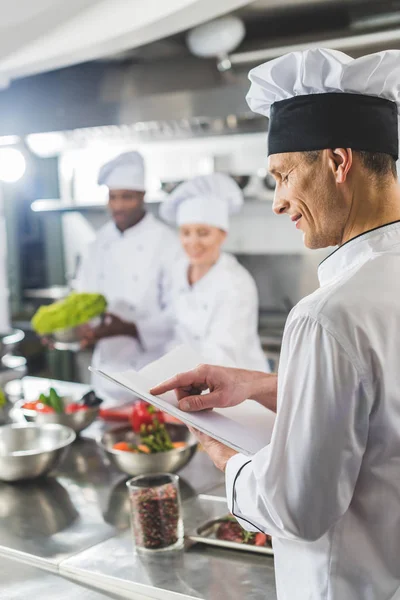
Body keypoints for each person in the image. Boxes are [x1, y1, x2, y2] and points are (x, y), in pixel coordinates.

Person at [151, 48, 400, 600]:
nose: (278, 201)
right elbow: (385, 413)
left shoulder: (327, 316)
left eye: (284, 175)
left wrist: (226, 457)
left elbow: (297, 508)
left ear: (339, 162)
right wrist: (263, 385)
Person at [74, 151, 181, 403]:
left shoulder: (168, 243)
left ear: (142, 196)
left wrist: (132, 328)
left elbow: (178, 314)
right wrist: (76, 329)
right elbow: (81, 299)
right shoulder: (97, 244)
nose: (119, 205)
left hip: (152, 374)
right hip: (105, 379)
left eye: (127, 197)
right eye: (113, 197)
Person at [159, 172, 268, 371]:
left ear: (222, 234)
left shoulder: (236, 283)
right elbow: (170, 329)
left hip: (236, 391)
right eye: (186, 233)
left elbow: (221, 355)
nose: (193, 243)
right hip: (188, 380)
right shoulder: (176, 271)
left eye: (203, 233)